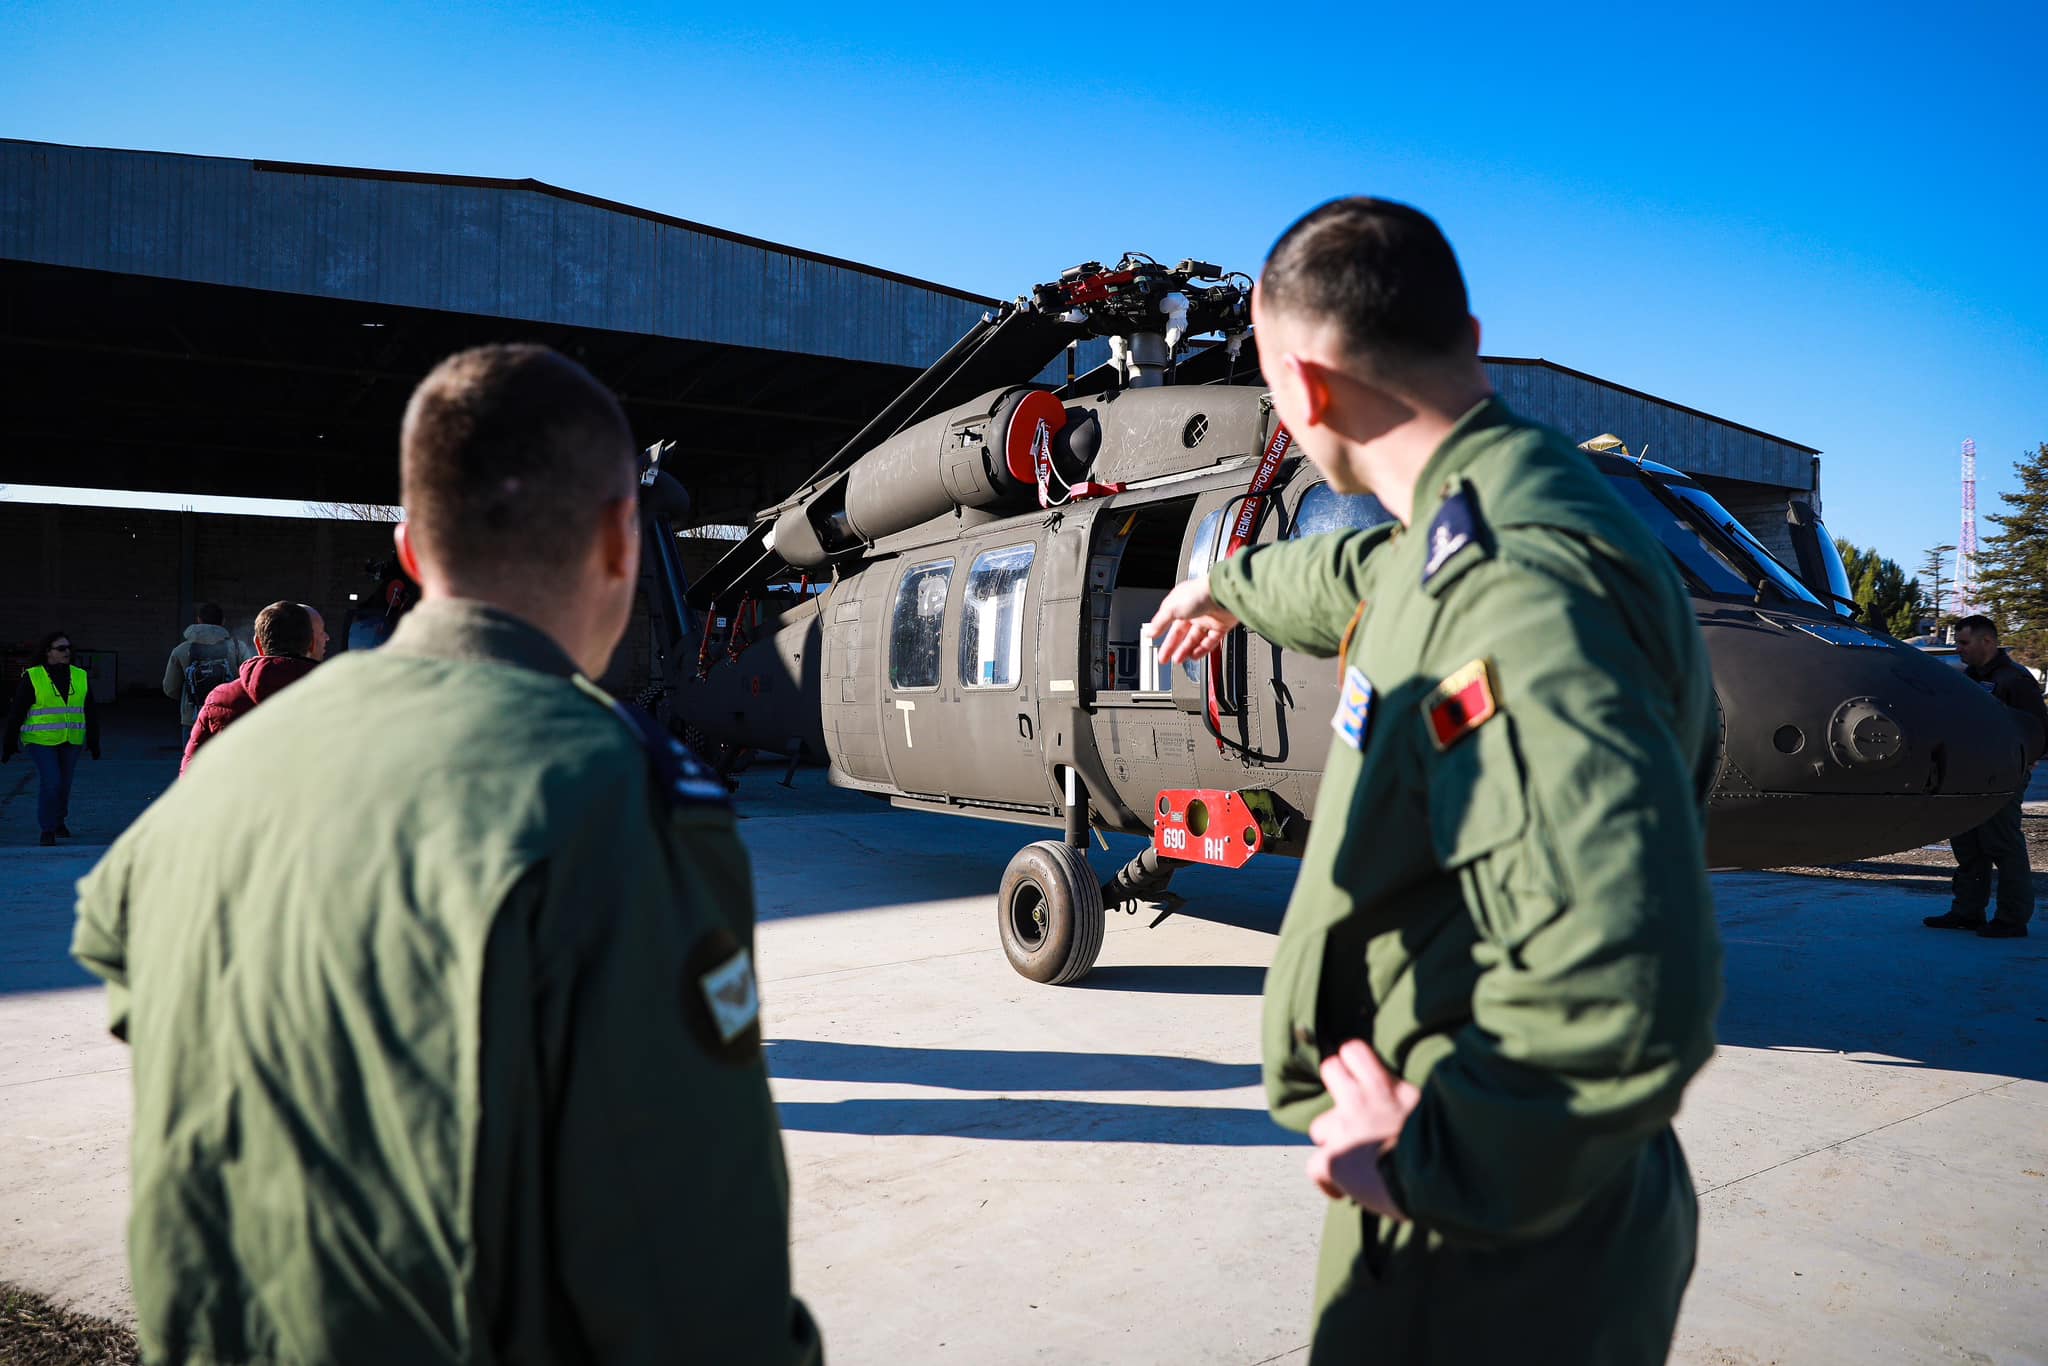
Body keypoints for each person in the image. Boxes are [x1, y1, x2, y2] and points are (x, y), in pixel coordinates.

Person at [73, 344, 821, 1364]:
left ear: (409, 550)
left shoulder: (213, 784)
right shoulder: (612, 798)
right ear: (619, 541)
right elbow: (687, 1262)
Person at [1148, 198, 1722, 1363]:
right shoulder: (1489, 514)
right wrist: (1228, 584)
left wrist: (1439, 1165)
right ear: (1465, 331)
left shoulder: (1514, 598)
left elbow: (1627, 979)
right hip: (1502, 1217)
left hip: (1491, 1251)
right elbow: (1360, 568)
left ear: (1305, 396)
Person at [1924, 613, 2046, 939]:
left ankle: (2012, 918)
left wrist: (2025, 765)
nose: (1959, 649)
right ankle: (1967, 911)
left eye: (1964, 643)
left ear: (1987, 642)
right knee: (1968, 845)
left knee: (2003, 845)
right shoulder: (1967, 677)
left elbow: (2038, 730)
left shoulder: (2015, 680)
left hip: (2001, 776)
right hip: (1968, 775)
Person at [178, 600, 327, 776]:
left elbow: (192, 778)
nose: (327, 638)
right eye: (322, 633)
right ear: (311, 644)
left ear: (258, 644)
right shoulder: (343, 700)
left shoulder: (219, 700)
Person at [3, 630, 101, 846]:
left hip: (71, 739)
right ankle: (47, 829)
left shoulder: (79, 675)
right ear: (48, 652)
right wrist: (9, 742)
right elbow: (17, 711)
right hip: (40, 740)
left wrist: (94, 739)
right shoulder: (33, 676)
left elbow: (90, 710)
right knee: (52, 781)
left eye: (69, 648)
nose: (67, 652)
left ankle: (58, 821)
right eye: (61, 648)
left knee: (63, 784)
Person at [161, 601, 247, 742]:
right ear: (223, 621)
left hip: (193, 718)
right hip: (228, 716)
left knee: (193, 762)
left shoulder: (181, 650)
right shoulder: (238, 647)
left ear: (199, 620)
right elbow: (248, 682)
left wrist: (189, 697)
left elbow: (170, 688)